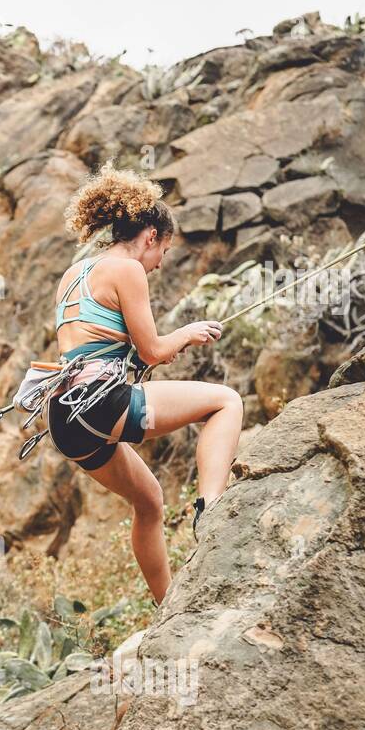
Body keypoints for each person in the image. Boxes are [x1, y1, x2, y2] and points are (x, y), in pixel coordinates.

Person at [49, 164, 242, 604]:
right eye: (164, 252)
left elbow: (97, 346)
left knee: (149, 501)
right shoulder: (127, 269)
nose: (159, 264)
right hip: (101, 402)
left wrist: (162, 347)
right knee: (226, 402)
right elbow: (153, 350)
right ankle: (211, 510)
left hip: (65, 416)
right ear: (151, 236)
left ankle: (166, 607)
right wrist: (189, 333)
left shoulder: (73, 275)